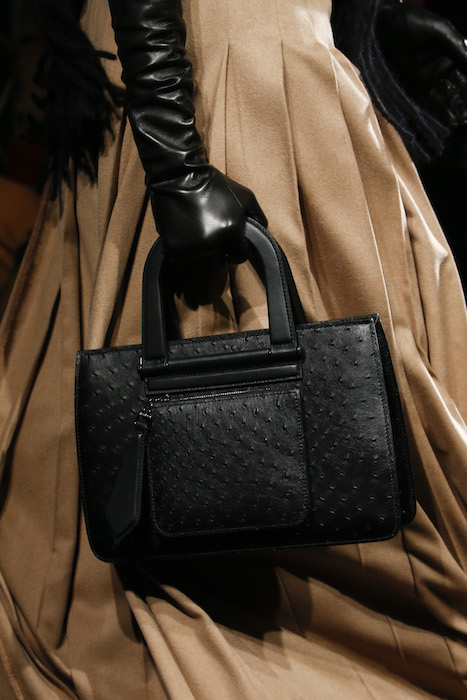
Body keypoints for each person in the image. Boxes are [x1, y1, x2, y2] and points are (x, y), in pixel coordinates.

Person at [0, 0, 466, 697]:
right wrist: (173, 156)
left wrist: (369, 32)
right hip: (207, 86)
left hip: (250, 71)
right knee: (233, 450)